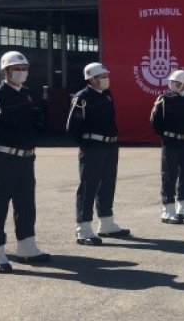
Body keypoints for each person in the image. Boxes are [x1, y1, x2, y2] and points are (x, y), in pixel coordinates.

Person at [0, 51, 51, 273]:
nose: (22, 72)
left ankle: (27, 247)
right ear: (6, 71)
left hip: (26, 159)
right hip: (3, 158)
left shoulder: (26, 94)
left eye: (25, 68)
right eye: (17, 69)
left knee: (26, 205)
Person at [66, 62, 130, 245]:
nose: (106, 79)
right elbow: (72, 127)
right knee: (88, 186)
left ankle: (106, 223)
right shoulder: (82, 98)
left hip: (110, 146)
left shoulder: (107, 95)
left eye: (106, 75)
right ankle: (84, 228)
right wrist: (87, 143)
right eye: (102, 77)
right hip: (92, 146)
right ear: (91, 79)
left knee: (108, 183)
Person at [151, 69, 184, 224]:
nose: (171, 85)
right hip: (171, 141)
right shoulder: (164, 98)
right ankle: (168, 209)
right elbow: (155, 121)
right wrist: (167, 134)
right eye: (171, 82)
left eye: (174, 82)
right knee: (169, 174)